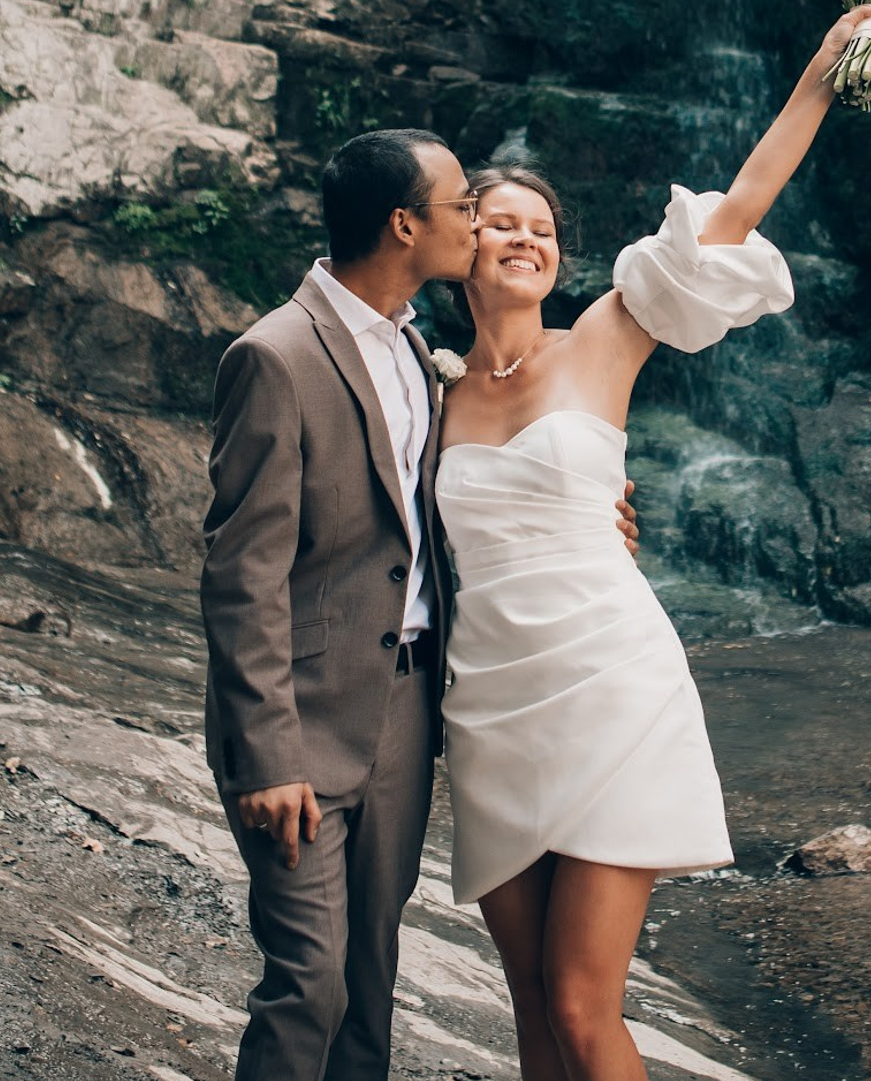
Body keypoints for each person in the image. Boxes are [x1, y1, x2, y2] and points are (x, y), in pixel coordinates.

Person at [436, 3, 871, 1081]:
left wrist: (823, 70)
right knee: (533, 1015)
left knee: (586, 1009)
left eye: (542, 230)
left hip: (609, 683)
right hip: (488, 706)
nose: (525, 240)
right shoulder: (425, 392)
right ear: (460, 245)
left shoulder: (602, 337)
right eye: (501, 224)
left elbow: (736, 208)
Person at [200, 127, 636, 1081]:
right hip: (306, 720)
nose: (480, 225)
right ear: (406, 226)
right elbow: (242, 573)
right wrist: (266, 753)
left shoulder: (422, 356)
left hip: (410, 716)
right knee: (307, 980)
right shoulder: (276, 356)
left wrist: (587, 506)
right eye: (463, 210)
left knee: (369, 979)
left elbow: (452, 510)